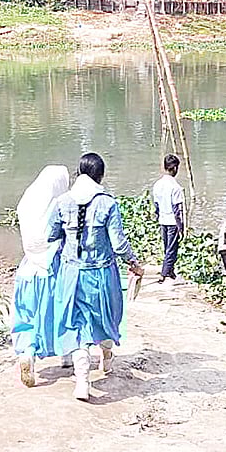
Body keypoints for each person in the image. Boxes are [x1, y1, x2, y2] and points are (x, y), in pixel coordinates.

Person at [46, 153, 145, 401]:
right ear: (100, 176)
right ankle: (107, 358)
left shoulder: (62, 201)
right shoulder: (108, 204)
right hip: (101, 273)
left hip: (71, 274)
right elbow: (119, 244)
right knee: (106, 318)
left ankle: (82, 381)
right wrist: (134, 262)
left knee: (77, 325)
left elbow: (50, 235)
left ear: (79, 173)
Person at [11, 165, 71, 388]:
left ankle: (27, 353)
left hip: (28, 268)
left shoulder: (27, 202)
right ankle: (66, 354)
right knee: (62, 311)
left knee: (27, 313)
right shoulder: (59, 206)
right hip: (53, 266)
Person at [151, 154, 185, 285]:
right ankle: (164, 274)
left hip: (163, 220)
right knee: (172, 249)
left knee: (167, 247)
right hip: (172, 222)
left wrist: (158, 216)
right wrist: (181, 227)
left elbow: (156, 205)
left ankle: (171, 272)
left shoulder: (157, 185)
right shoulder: (175, 187)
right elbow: (177, 210)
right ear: (175, 168)